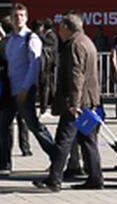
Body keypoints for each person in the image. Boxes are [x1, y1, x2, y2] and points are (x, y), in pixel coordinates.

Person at [34, 13, 103, 192]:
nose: (59, 32)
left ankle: (54, 179)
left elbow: (76, 76)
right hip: (89, 99)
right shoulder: (87, 41)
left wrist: (74, 103)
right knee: (88, 140)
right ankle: (95, 178)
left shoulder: (75, 45)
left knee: (63, 139)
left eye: (60, 27)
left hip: (77, 102)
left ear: (66, 27)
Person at [0, 5, 56, 174]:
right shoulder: (11, 40)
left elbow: (34, 65)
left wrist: (26, 88)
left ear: (26, 18)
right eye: (15, 16)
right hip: (10, 90)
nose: (18, 18)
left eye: (21, 15)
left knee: (33, 125)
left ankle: (57, 157)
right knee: (2, 125)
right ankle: (4, 162)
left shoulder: (31, 38)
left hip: (24, 90)